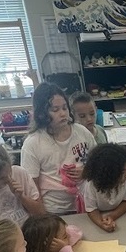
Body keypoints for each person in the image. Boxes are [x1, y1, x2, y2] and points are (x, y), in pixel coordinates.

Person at [21, 82, 96, 214]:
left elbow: (98, 161)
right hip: (55, 210)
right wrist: (45, 218)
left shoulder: (81, 131)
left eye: (65, 108)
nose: (63, 114)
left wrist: (87, 171)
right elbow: (32, 188)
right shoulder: (33, 143)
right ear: (41, 114)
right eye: (55, 110)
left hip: (87, 204)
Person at [81, 142, 126, 232]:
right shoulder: (91, 184)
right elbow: (91, 209)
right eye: (123, 172)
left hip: (118, 214)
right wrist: (101, 223)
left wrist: (111, 216)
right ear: (109, 174)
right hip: (97, 215)